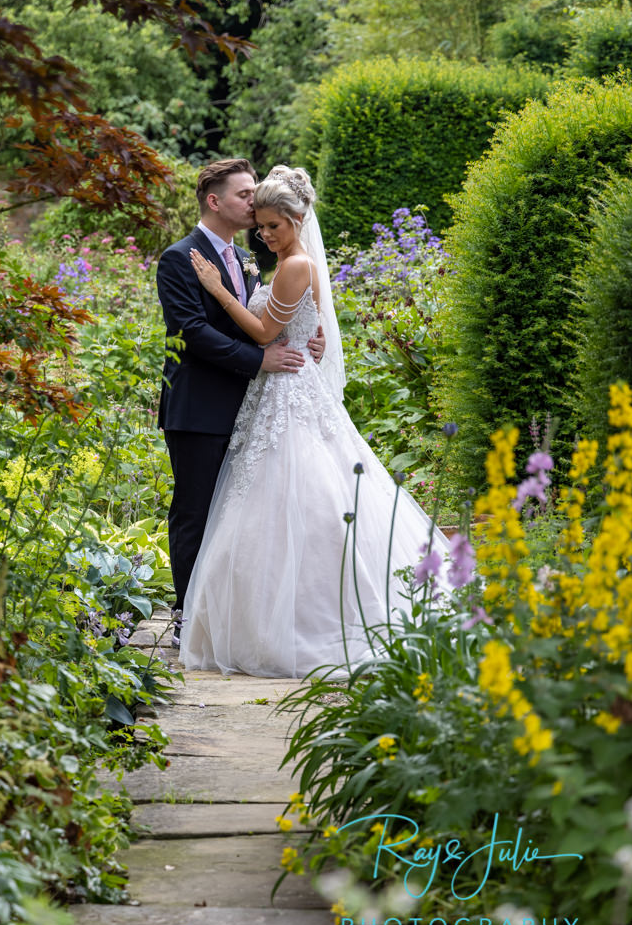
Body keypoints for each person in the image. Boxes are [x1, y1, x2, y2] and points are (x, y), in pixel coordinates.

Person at [179, 165, 448, 679]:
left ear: (299, 219)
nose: (265, 234)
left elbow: (261, 332)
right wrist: (311, 335)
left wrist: (218, 289)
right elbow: (308, 325)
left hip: (289, 391)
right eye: (261, 227)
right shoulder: (286, 262)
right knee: (268, 505)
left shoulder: (296, 264)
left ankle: (308, 622)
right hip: (275, 391)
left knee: (306, 498)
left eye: (274, 226)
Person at [156, 158, 325, 647]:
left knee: (244, 518)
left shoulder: (249, 257)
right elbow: (193, 333)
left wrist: (307, 340)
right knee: (196, 512)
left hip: (256, 407)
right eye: (245, 195)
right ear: (215, 201)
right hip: (201, 408)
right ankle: (189, 617)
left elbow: (275, 316)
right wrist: (260, 361)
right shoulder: (179, 258)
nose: (254, 202)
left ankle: (232, 617)